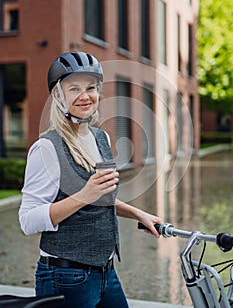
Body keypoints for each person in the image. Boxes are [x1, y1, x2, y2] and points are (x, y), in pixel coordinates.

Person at [18, 51, 162, 308]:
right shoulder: (47, 148)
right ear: (58, 96)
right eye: (74, 88)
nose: (85, 96)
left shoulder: (101, 138)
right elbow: (28, 220)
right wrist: (84, 194)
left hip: (106, 272)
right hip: (66, 276)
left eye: (91, 87)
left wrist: (139, 214)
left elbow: (100, 197)